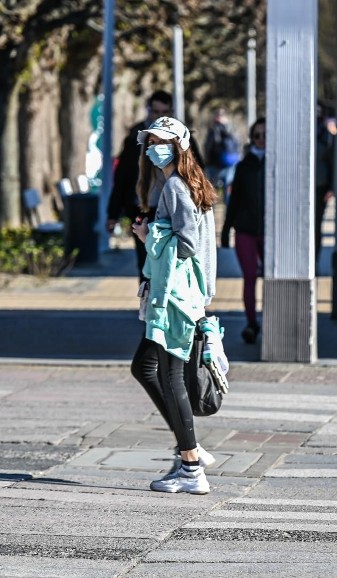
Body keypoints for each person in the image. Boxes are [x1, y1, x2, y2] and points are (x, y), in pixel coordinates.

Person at [129, 116, 219, 494]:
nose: (153, 148)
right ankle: (190, 447)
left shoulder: (177, 187)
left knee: (170, 377)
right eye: (149, 142)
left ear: (179, 145)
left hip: (176, 298)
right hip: (183, 295)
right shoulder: (188, 183)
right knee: (144, 367)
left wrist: (147, 233)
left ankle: (192, 466)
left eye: (160, 141)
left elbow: (185, 245)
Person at [106, 90, 204, 281]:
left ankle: (160, 301)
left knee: (166, 265)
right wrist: (113, 213)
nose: (158, 116)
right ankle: (148, 301)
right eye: (155, 112)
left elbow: (198, 171)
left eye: (164, 112)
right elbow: (122, 177)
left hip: (171, 211)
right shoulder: (136, 136)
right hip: (143, 209)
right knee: (146, 266)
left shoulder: (182, 137)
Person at [221, 118, 266, 344]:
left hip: (270, 231)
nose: (261, 139)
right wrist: (226, 229)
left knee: (271, 277)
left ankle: (271, 320)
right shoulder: (243, 166)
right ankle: (251, 323)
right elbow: (234, 199)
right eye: (257, 135)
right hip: (245, 228)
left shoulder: (277, 164)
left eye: (265, 135)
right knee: (250, 276)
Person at [204, 107, 240, 200]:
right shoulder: (232, 128)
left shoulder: (214, 129)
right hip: (230, 164)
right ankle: (229, 212)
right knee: (228, 195)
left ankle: (211, 212)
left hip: (215, 165)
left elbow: (208, 146)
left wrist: (206, 161)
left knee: (211, 195)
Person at [315, 106, 336, 266]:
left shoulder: (327, 137)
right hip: (302, 188)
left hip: (321, 186)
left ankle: (314, 261)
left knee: (316, 225)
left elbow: (333, 163)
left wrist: (331, 188)